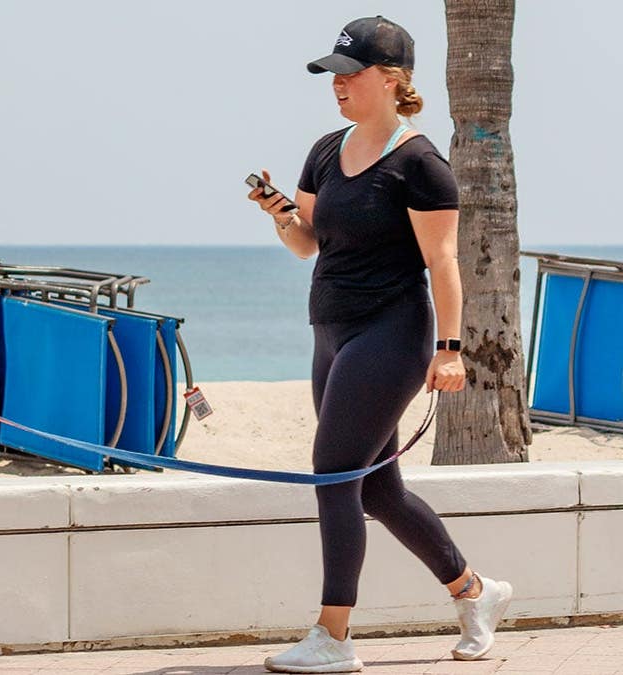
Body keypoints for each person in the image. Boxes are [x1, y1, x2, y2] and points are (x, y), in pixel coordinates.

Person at [247, 16, 513, 673]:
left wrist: (449, 349)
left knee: (334, 472)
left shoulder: (421, 165)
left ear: (392, 80)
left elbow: (444, 262)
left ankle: (333, 635)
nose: (337, 86)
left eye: (349, 73)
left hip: (390, 334)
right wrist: (282, 215)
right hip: (330, 330)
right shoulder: (323, 150)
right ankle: (474, 591)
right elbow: (309, 242)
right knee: (377, 489)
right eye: (332, 75)